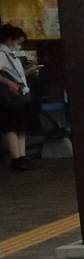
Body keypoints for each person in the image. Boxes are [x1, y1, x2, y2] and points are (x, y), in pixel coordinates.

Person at [0, 25, 35, 172]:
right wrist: (9, 82)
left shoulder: (10, 53)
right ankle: (17, 158)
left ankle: (22, 156)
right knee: (12, 127)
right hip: (10, 97)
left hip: (19, 94)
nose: (19, 45)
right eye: (17, 41)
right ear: (9, 39)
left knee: (21, 128)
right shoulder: (2, 53)